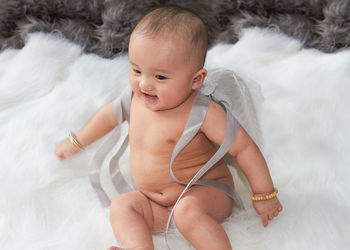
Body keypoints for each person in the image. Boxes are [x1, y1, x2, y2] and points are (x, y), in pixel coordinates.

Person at [55, 5, 282, 250]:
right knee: (122, 206)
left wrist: (264, 194)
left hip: (206, 195)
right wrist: (76, 142)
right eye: (136, 70)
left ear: (196, 79)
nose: (144, 84)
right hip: (155, 204)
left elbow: (244, 148)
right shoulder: (134, 99)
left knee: (187, 211)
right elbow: (105, 118)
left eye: (160, 77)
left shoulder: (203, 112)